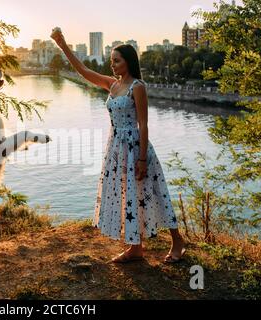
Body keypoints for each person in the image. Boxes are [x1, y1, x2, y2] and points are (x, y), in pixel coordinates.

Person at [51, 28, 186, 263]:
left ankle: (177, 241)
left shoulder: (138, 86)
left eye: (116, 61)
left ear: (128, 62)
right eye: (111, 60)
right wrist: (63, 46)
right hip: (116, 149)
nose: (112, 65)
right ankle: (135, 247)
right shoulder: (113, 85)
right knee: (128, 196)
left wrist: (142, 158)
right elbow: (83, 71)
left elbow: (143, 124)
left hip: (136, 148)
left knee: (155, 192)